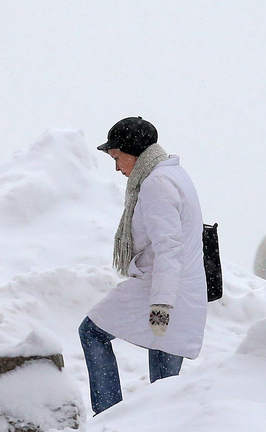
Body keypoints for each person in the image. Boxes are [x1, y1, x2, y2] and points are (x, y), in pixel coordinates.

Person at [79, 116, 208, 415]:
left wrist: (161, 305)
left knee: (92, 332)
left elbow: (169, 249)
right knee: (163, 392)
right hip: (176, 289)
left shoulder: (156, 184)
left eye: (117, 157)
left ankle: (109, 415)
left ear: (133, 151)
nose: (116, 167)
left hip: (162, 290)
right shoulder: (173, 175)